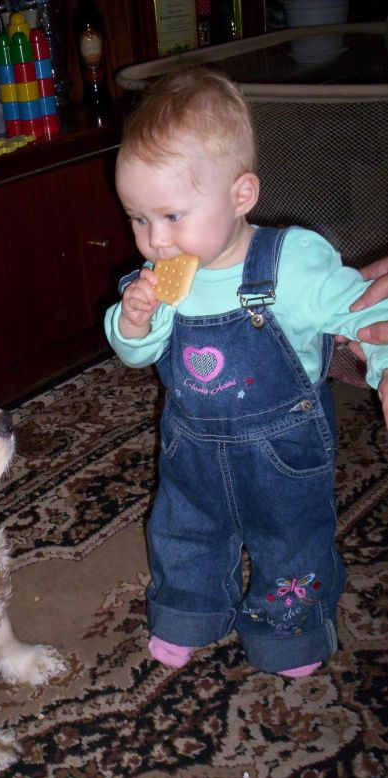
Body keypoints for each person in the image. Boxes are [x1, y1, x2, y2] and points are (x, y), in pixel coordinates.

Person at [104, 66, 388, 678]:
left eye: (171, 216)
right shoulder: (157, 281)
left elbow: (368, 310)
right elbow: (136, 353)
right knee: (184, 533)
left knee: (292, 541)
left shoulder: (292, 262)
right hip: (191, 448)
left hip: (282, 451)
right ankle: (187, 612)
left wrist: (384, 365)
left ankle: (290, 632)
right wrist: (133, 321)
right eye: (137, 218)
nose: (154, 241)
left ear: (241, 196)